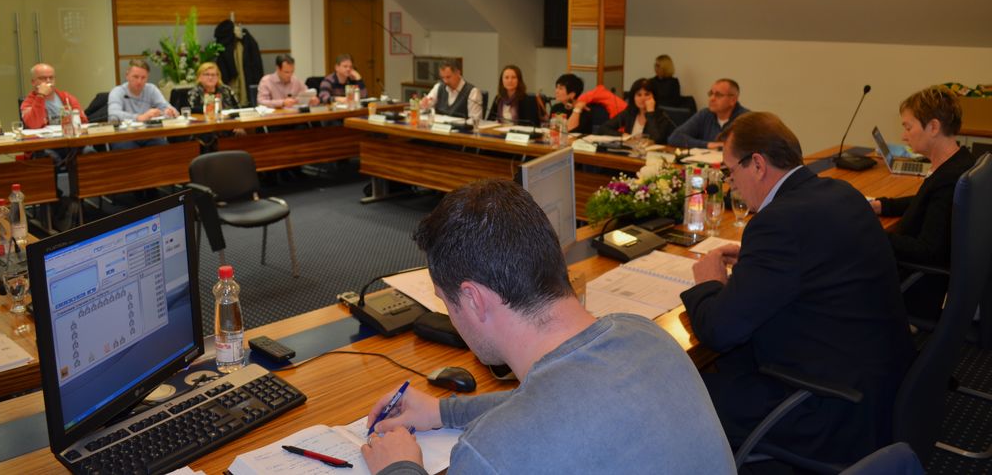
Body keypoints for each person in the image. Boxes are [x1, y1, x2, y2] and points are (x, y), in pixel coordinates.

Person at [361, 179, 737, 475]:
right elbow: (552, 405)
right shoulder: (645, 333)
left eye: (446, 302)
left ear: (473, 299)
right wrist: (445, 412)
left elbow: (539, 416)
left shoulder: (490, 453)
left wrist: (399, 467)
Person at [680, 112, 914, 464]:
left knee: (679, 392)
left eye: (731, 172)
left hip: (830, 408)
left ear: (758, 164)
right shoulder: (840, 192)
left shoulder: (778, 223)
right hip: (882, 387)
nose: (731, 184)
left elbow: (719, 330)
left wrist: (711, 281)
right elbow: (816, 263)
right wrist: (758, 265)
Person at [871, 85, 975, 319]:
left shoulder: (948, 179)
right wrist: (883, 205)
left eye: (908, 127)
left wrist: (873, 233)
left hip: (921, 284)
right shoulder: (961, 161)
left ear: (934, 127)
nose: (903, 136)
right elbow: (926, 201)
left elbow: (927, 250)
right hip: (930, 274)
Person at [107, 59, 177, 149]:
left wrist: (170, 111)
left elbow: (166, 107)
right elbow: (113, 113)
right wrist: (139, 117)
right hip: (123, 135)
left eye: (143, 78)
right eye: (135, 77)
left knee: (164, 149)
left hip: (147, 134)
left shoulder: (151, 89)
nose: (139, 81)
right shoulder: (117, 91)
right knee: (129, 150)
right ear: (127, 76)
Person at [668, 78, 750, 149]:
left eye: (718, 95)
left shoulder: (746, 119)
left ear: (733, 100)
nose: (712, 98)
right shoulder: (705, 114)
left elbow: (748, 147)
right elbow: (675, 137)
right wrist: (707, 145)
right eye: (711, 94)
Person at [597, 77, 674, 142]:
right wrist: (622, 135)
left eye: (647, 94)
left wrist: (650, 113)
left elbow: (656, 140)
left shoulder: (662, 116)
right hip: (629, 153)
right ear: (633, 98)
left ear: (654, 97)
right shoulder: (630, 112)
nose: (642, 98)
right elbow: (603, 129)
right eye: (639, 95)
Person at [20, 63, 88, 129]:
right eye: (43, 78)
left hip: (66, 134)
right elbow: (34, 125)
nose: (48, 81)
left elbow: (83, 121)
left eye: (51, 77)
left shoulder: (66, 97)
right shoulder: (28, 103)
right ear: (33, 82)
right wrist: (41, 95)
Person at [419, 60, 482, 124]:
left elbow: (475, 120)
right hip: (439, 127)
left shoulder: (472, 92)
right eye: (442, 77)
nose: (445, 81)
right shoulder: (439, 87)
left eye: (448, 77)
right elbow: (426, 106)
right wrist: (424, 104)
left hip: (460, 129)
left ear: (458, 73)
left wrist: (458, 124)